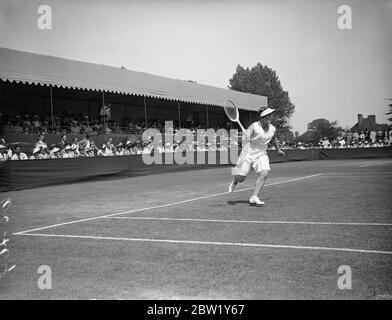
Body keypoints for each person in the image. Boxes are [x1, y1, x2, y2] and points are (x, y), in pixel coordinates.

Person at [228, 107, 285, 206]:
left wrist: (278, 149)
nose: (270, 118)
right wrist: (246, 137)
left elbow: (274, 139)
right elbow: (245, 139)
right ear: (262, 117)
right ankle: (235, 181)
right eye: (268, 116)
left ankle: (254, 197)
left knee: (265, 173)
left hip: (261, 154)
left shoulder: (272, 128)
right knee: (241, 178)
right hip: (248, 152)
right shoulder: (253, 126)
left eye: (271, 116)